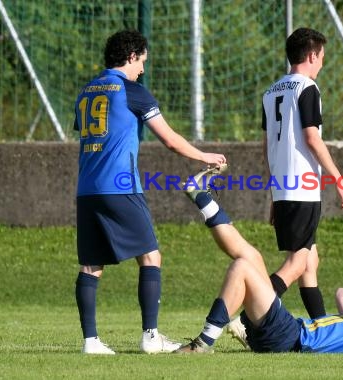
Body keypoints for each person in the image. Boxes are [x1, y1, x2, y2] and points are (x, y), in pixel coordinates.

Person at [73, 30, 227, 355]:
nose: (142, 69)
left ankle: (90, 341)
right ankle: (151, 336)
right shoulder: (133, 92)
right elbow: (169, 139)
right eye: (141, 61)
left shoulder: (87, 91)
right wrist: (205, 156)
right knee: (150, 255)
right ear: (131, 57)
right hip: (121, 187)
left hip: (87, 188)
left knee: (91, 265)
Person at [175, 176, 343, 354]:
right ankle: (202, 198)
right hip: (285, 334)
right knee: (252, 257)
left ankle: (204, 342)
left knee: (243, 266)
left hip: (289, 337)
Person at [261, 27, 343, 319]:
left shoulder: (270, 91)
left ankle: (321, 323)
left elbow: (269, 147)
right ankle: (248, 315)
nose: (323, 64)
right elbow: (312, 137)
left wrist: (274, 196)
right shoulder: (307, 88)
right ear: (312, 55)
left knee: (310, 260)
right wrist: (339, 180)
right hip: (302, 187)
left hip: (284, 187)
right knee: (299, 261)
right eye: (322, 57)